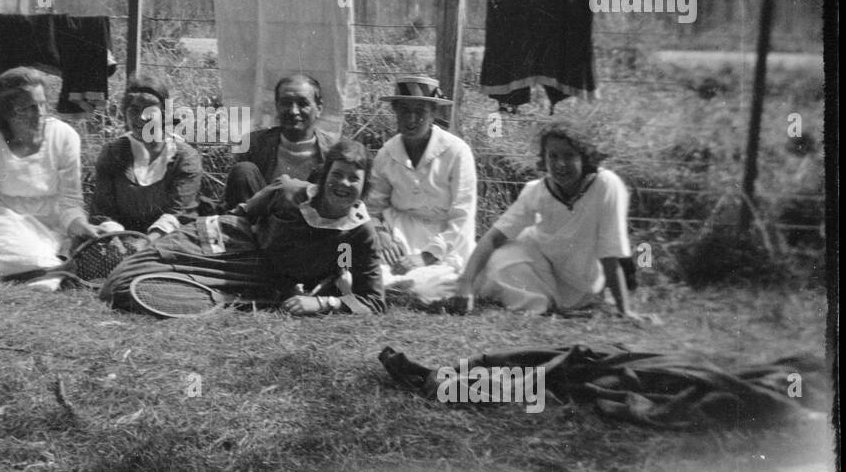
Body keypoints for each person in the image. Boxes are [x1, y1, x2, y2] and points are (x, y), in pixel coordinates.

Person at [101, 139, 386, 316]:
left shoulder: (360, 233)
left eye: (353, 179)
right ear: (324, 177)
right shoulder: (289, 192)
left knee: (124, 291)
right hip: (231, 243)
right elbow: (243, 213)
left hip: (259, 279)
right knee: (120, 280)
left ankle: (183, 290)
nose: (343, 184)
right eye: (337, 175)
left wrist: (322, 304)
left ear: (364, 188)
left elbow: (373, 301)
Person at [449, 121, 642, 320]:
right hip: (538, 264)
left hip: (582, 282)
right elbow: (493, 238)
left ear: (585, 157)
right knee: (500, 261)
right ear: (544, 158)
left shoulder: (606, 186)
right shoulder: (537, 191)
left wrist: (624, 310)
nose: (560, 164)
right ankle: (539, 304)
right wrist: (466, 282)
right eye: (553, 156)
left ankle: (553, 305)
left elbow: (610, 250)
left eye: (569, 156)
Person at [0, 67, 108, 286]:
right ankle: (37, 266)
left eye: (43, 104)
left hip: (54, 226)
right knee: (26, 258)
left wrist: (83, 227)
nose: (40, 114)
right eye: (28, 108)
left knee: (111, 233)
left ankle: (43, 266)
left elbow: (70, 203)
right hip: (6, 222)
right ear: (9, 113)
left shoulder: (64, 137)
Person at [366, 75, 477, 305]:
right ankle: (408, 291)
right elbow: (373, 206)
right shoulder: (387, 153)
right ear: (394, 111)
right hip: (399, 236)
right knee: (354, 268)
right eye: (404, 110)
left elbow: (463, 215)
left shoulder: (457, 152)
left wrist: (426, 256)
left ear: (433, 112)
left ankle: (410, 291)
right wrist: (381, 233)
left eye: (420, 111)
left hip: (446, 239)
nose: (411, 119)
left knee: (447, 280)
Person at [92, 73, 202, 238]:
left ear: (164, 114)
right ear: (125, 111)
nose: (141, 118)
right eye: (134, 109)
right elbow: (102, 209)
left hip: (168, 241)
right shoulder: (112, 153)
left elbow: (181, 212)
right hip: (120, 240)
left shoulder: (184, 157)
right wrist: (119, 242)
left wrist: (146, 245)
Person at [221, 73, 339, 210]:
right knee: (243, 171)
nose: (294, 111)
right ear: (277, 106)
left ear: (319, 108)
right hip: (259, 222)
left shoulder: (334, 152)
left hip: (308, 225)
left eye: (302, 104)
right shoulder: (253, 144)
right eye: (286, 103)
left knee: (324, 174)